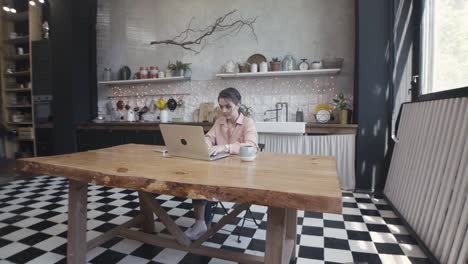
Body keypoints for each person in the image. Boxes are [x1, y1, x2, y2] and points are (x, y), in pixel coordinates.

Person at [184, 87, 258, 240]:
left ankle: (204, 226)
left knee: (208, 183)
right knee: (200, 179)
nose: (224, 110)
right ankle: (200, 224)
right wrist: (205, 143)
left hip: (240, 173)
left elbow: (251, 145)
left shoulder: (248, 123)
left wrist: (225, 147)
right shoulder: (219, 121)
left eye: (228, 106)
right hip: (219, 168)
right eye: (221, 106)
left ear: (238, 105)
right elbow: (209, 138)